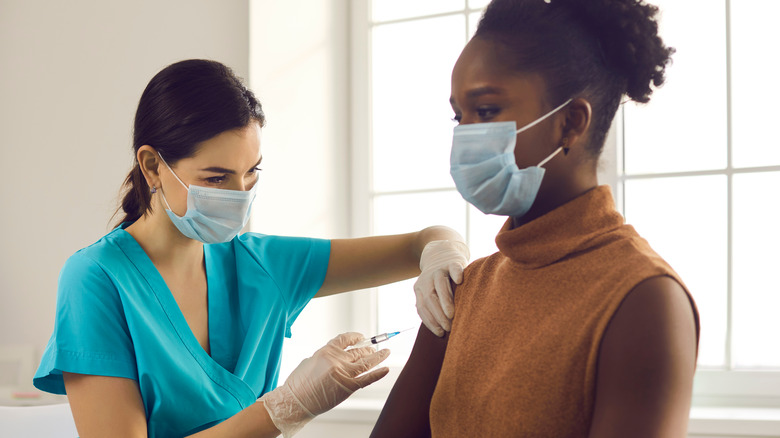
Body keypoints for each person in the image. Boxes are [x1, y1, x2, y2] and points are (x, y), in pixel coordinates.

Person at [32, 59, 470, 437]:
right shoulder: (97, 278)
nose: (240, 195)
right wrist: (285, 407)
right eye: (216, 178)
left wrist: (442, 252)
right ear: (152, 166)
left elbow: (423, 242)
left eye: (251, 172)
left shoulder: (263, 263)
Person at [370, 0, 700, 437]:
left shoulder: (643, 300)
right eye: (458, 115)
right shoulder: (463, 292)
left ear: (569, 123)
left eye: (485, 111)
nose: (465, 135)